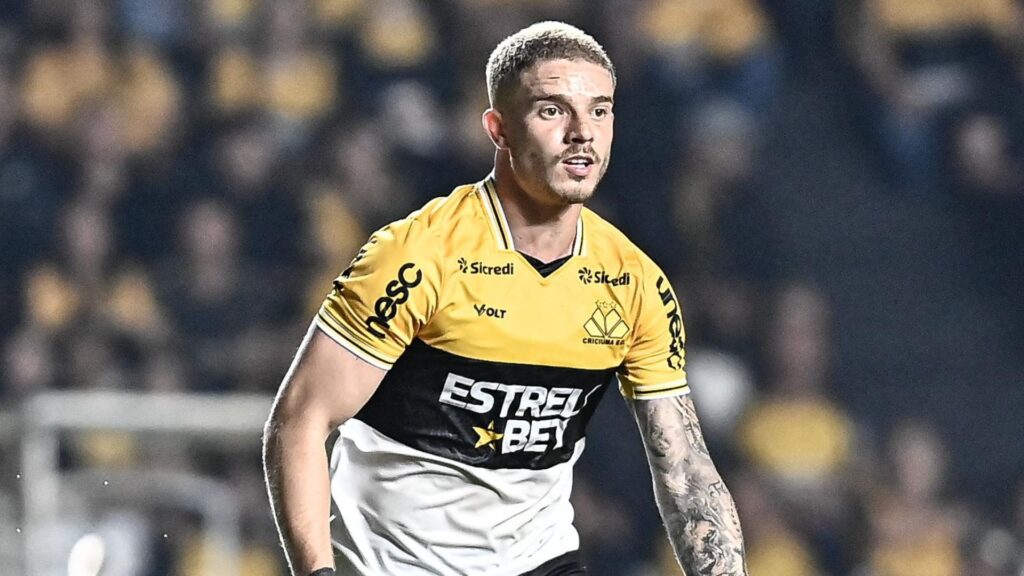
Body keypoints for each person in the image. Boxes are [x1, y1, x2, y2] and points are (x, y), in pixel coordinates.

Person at [262, 21, 747, 576]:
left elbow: (686, 474)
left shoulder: (634, 281)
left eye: (599, 111)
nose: (581, 133)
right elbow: (300, 419)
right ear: (499, 129)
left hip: (539, 561)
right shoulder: (417, 256)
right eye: (552, 110)